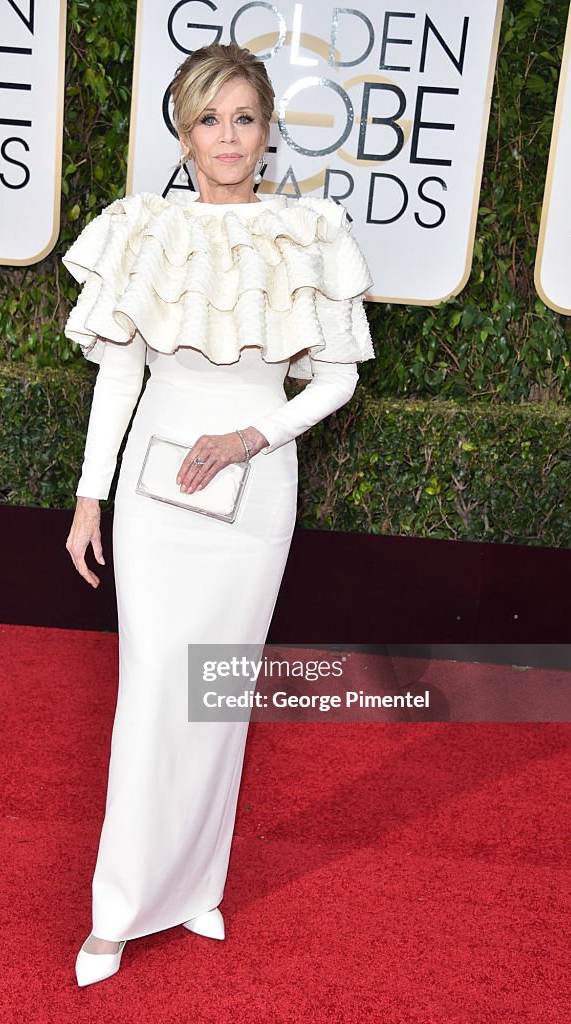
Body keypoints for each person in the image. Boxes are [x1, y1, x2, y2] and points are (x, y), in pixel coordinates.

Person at [63, 41, 374, 986]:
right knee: (154, 689)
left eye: (243, 117)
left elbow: (336, 380)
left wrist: (249, 437)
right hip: (156, 502)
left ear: (269, 129)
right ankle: (117, 908)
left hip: (253, 492)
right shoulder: (143, 229)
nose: (227, 136)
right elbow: (120, 374)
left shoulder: (308, 231)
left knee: (218, 696)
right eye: (209, 119)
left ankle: (199, 883)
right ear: (183, 132)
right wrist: (90, 495)